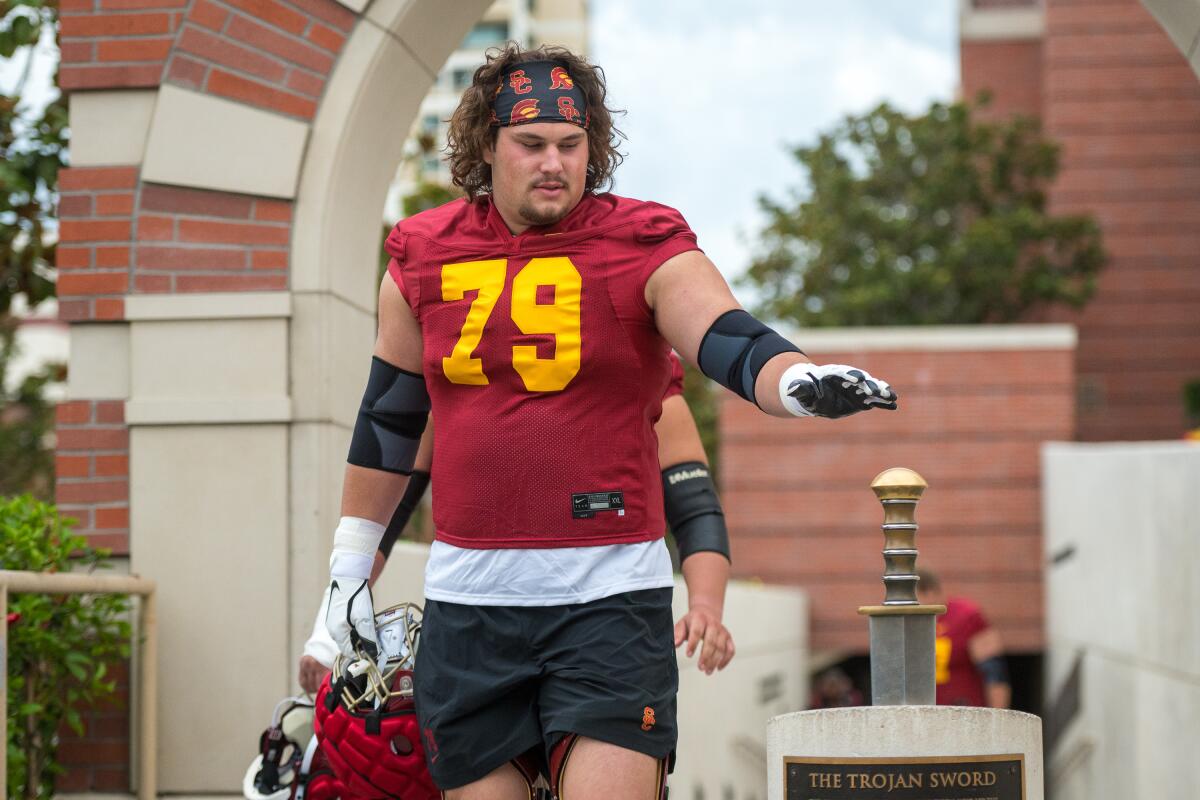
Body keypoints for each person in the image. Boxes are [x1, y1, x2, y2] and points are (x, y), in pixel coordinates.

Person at [321, 43, 897, 799]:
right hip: (469, 607)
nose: (554, 162)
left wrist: (795, 381)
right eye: (530, 145)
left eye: (571, 144)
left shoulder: (642, 240)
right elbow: (391, 426)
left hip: (607, 603)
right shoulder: (422, 255)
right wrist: (345, 577)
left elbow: (726, 334)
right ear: (486, 148)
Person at [298, 354, 733, 694]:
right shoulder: (457, 375)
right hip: (478, 625)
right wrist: (327, 633)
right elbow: (384, 516)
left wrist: (707, 608)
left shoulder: (636, 371)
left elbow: (694, 506)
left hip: (604, 622)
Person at [916, 568, 1011, 709]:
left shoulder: (966, 615)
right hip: (922, 714)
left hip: (963, 712)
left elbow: (994, 672)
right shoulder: (910, 623)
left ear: (928, 592)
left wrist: (998, 718)